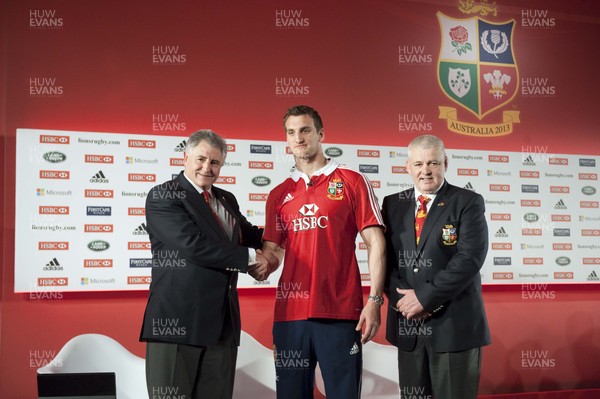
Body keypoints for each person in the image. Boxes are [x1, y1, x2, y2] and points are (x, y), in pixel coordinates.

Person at [254, 105, 386, 399]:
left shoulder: (352, 181)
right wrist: (253, 262)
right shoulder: (278, 194)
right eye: (291, 132)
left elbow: (375, 242)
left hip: (339, 312)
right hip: (290, 316)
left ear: (321, 134)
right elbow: (273, 251)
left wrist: (375, 300)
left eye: (305, 130)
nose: (298, 138)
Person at [139, 130, 266, 399]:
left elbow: (250, 235)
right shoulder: (164, 196)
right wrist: (252, 258)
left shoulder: (226, 199)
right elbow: (192, 246)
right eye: (201, 159)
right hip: (176, 324)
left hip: (221, 325)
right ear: (185, 157)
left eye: (215, 162)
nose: (207, 168)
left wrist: (286, 236)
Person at [382, 134, 490, 399]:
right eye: (418, 164)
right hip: (408, 326)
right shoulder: (392, 204)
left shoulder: (467, 202)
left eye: (433, 163)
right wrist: (404, 302)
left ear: (445, 163)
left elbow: (470, 259)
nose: (425, 171)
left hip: (454, 326)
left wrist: (425, 298)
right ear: (407, 167)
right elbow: (384, 260)